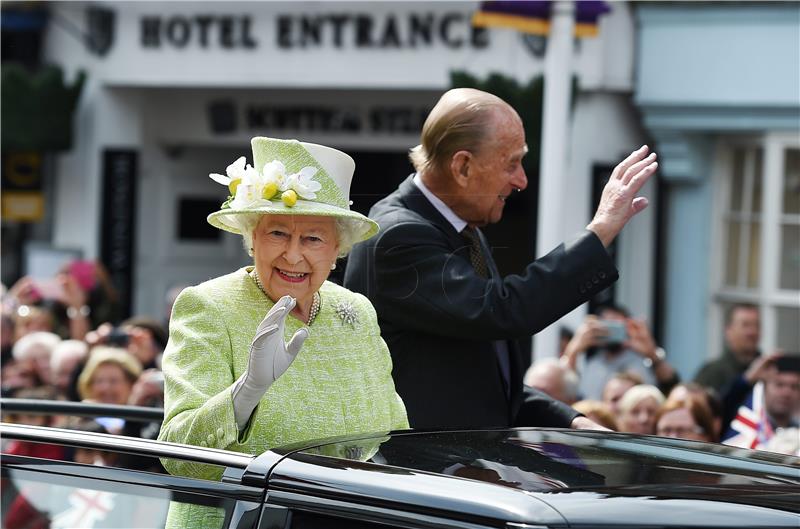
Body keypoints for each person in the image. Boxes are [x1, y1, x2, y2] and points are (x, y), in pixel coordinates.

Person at [344, 87, 658, 429]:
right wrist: (599, 232)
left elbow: (485, 379)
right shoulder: (399, 236)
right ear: (463, 166)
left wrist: (573, 422)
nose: (522, 180)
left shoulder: (464, 230)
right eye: (512, 163)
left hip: (460, 469)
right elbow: (503, 311)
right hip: (415, 474)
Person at [157, 137, 408, 528]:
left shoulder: (354, 311)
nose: (293, 255)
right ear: (251, 236)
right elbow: (178, 456)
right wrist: (247, 393)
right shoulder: (208, 306)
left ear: (337, 248)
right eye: (277, 234)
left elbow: (391, 434)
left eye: (312, 238)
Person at [561, 304, 679, 400]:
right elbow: (562, 388)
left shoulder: (642, 363)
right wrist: (573, 350)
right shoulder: (593, 365)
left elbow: (672, 387)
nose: (611, 332)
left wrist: (651, 352)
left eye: (616, 326)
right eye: (606, 325)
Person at [694, 303, 761, 393]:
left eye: (756, 325)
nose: (752, 332)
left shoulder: (769, 373)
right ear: (728, 331)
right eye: (745, 325)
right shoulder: (712, 373)